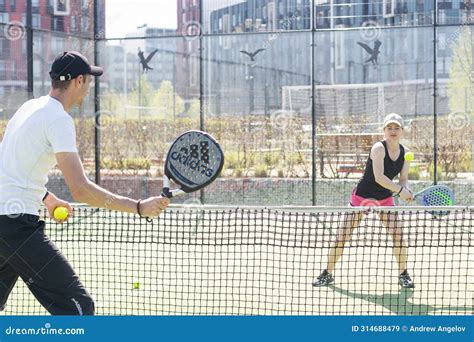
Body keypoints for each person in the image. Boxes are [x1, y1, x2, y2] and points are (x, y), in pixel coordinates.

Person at [0, 51, 170, 315]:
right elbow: (80, 189)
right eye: (88, 82)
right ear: (78, 81)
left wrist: (46, 197)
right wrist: (138, 206)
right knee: (78, 310)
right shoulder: (59, 119)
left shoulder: (29, 107)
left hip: (5, 224)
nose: (88, 90)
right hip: (16, 227)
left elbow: (8, 168)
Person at [313, 113, 415, 288]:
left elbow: (403, 179)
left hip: (385, 199)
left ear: (402, 131)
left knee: (398, 235)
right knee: (342, 237)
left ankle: (403, 274)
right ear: (384, 130)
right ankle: (327, 273)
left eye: (396, 127)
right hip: (362, 197)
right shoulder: (378, 148)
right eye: (389, 127)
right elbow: (379, 177)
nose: (393, 131)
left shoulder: (405, 154)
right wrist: (400, 190)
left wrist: (406, 189)